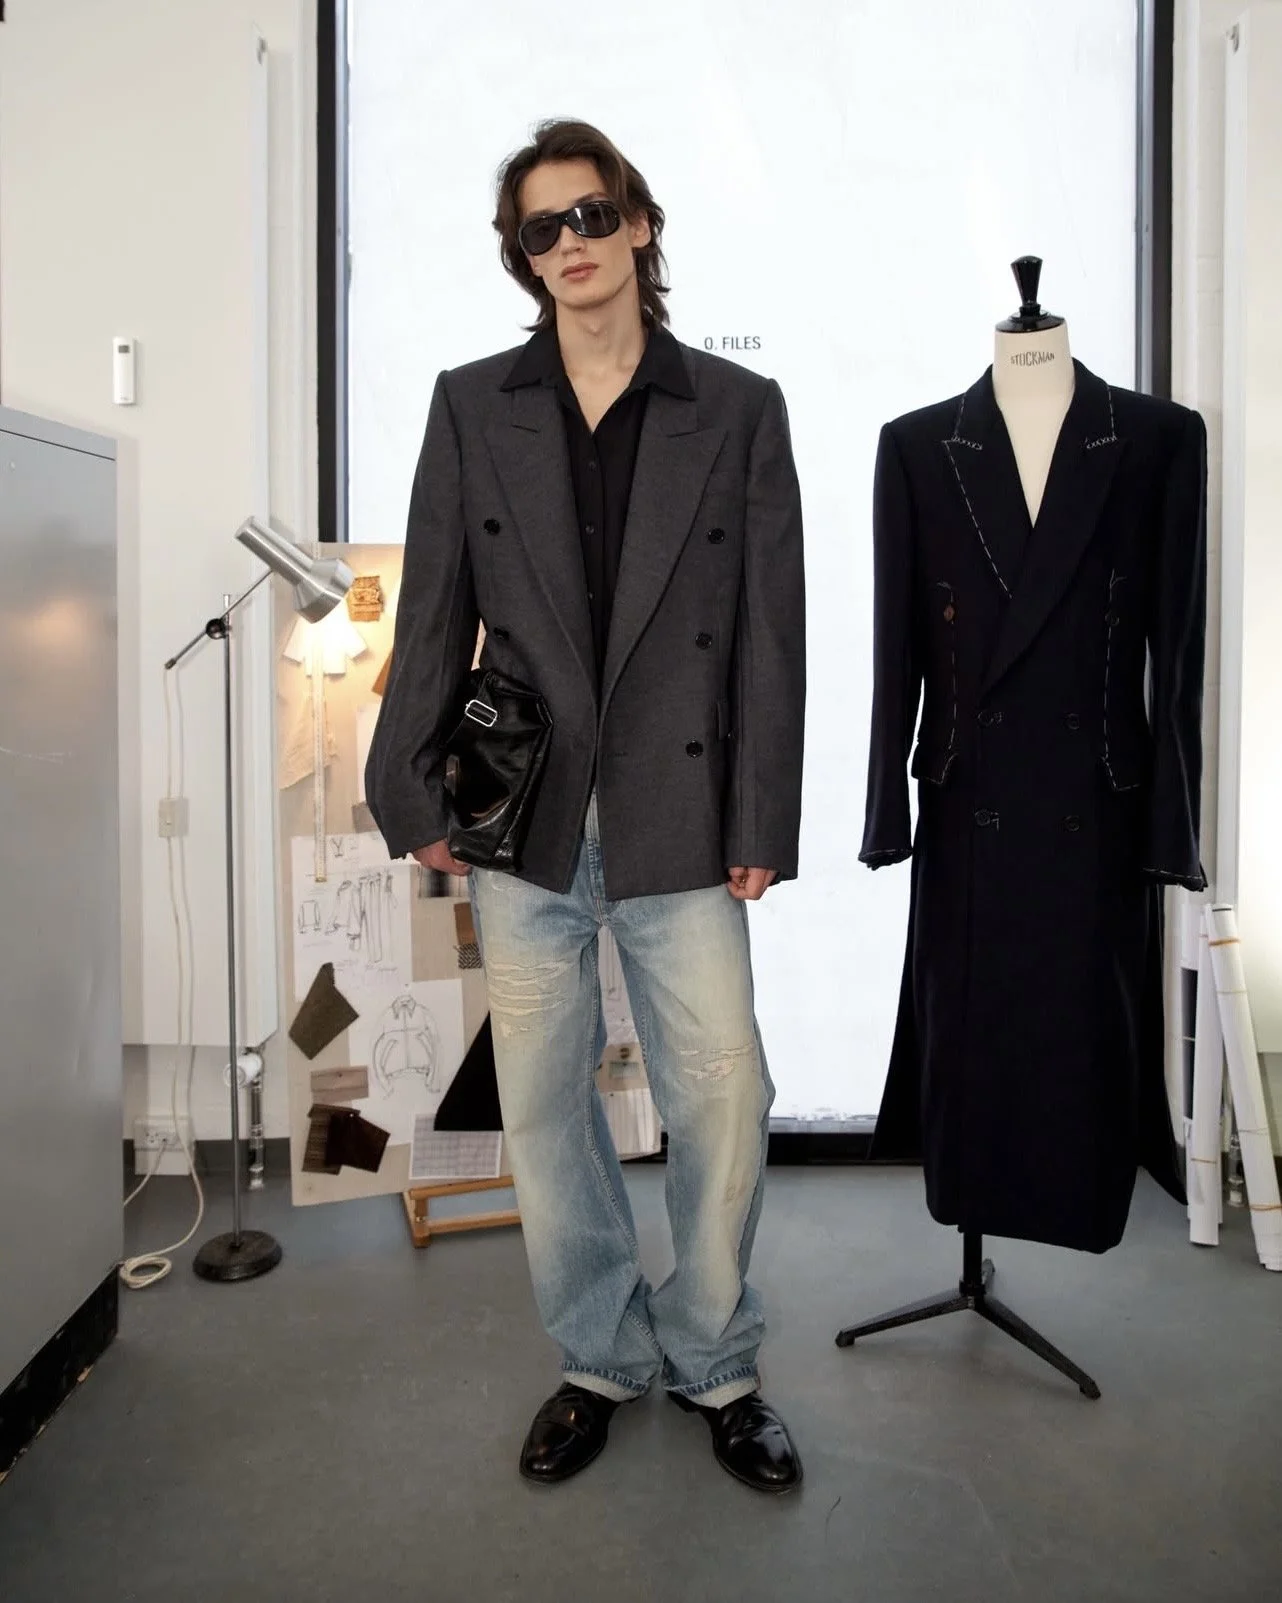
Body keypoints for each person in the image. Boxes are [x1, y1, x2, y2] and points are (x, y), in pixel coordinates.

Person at [366, 118, 806, 1493]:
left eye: (591, 215)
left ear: (639, 224)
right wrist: (405, 781)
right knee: (545, 1107)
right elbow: (435, 608)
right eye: (540, 229)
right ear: (522, 256)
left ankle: (715, 1355)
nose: (569, 243)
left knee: (725, 1094)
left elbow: (769, 632)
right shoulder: (470, 404)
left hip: (684, 810)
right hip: (524, 813)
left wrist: (762, 815)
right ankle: (600, 1354)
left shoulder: (738, 409)